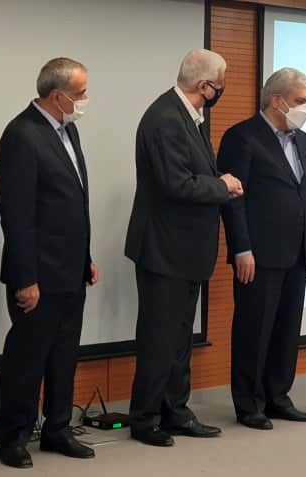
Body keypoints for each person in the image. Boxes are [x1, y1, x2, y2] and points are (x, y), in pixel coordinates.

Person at [124, 48, 243, 447]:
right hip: (164, 250)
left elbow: (192, 175)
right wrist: (222, 186)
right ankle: (145, 419)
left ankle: (175, 411)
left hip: (185, 250)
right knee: (159, 339)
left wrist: (217, 182)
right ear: (205, 86)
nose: (221, 91)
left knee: (178, 339)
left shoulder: (188, 116)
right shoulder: (165, 118)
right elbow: (176, 184)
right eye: (220, 85)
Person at [0, 57, 98, 469]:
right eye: (81, 93)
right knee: (27, 360)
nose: (86, 99)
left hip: (70, 270)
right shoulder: (22, 134)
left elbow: (72, 203)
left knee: (64, 357)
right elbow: (16, 214)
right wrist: (25, 279)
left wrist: (86, 258)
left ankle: (58, 429)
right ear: (57, 96)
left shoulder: (68, 129)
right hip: (37, 274)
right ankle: (12, 437)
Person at [218, 67, 306, 430]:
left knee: (286, 329)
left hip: (297, 251)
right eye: (300, 101)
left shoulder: (302, 139)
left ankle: (278, 396)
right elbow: (233, 200)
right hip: (258, 255)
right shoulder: (242, 137)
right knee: (254, 329)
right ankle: (249, 404)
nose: (305, 108)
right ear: (277, 100)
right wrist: (241, 249)